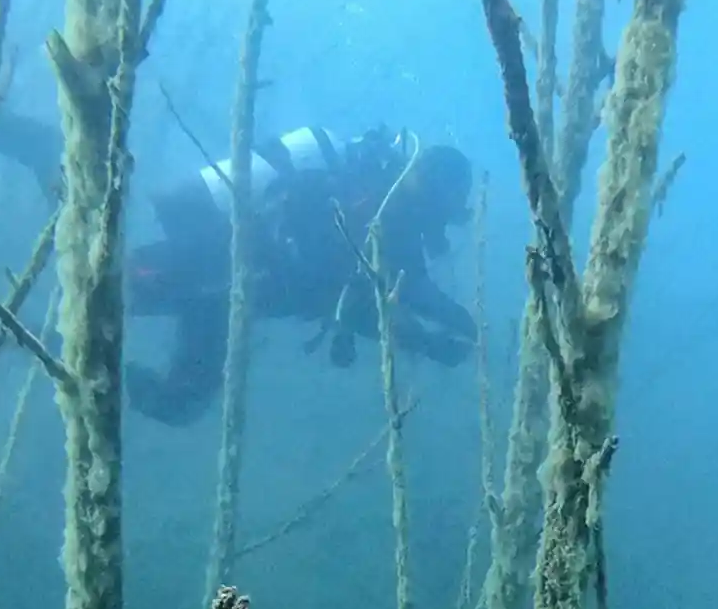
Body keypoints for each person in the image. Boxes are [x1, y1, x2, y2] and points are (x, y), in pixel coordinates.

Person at [125, 126, 478, 426]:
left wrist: (467, 327)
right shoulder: (378, 207)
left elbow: (413, 287)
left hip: (239, 293)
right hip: (234, 260)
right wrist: (428, 343)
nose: (444, 223)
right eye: (445, 208)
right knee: (125, 286)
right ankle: (79, 315)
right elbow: (350, 303)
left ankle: (99, 374)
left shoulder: (396, 222)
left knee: (182, 401)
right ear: (431, 193)